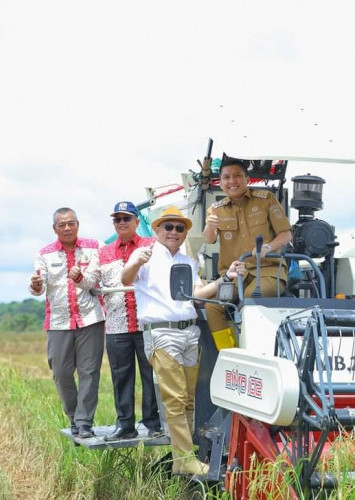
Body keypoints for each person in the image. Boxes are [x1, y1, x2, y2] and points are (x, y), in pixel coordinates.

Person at [122, 205, 241, 476]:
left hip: (189, 332)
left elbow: (199, 294)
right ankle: (186, 457)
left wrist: (226, 277)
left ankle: (181, 461)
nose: (174, 232)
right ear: (157, 230)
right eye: (169, 227)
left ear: (185, 232)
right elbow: (125, 278)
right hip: (162, 333)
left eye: (180, 228)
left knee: (188, 400)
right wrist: (135, 261)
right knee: (175, 400)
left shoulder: (188, 262)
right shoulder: (145, 257)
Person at [29, 207, 104, 439]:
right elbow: (37, 287)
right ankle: (73, 416)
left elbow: (97, 277)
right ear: (55, 229)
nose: (67, 228)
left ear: (78, 224)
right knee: (61, 373)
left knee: (89, 372)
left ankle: (84, 423)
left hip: (91, 318)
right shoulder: (45, 253)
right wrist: (36, 286)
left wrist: (82, 279)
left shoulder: (93, 247)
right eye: (62, 225)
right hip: (59, 321)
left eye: (71, 223)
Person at [202, 159, 292, 340]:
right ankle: (228, 353)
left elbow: (286, 234)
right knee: (212, 307)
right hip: (236, 276)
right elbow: (209, 239)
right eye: (226, 177)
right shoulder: (216, 210)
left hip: (267, 272)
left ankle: (253, 351)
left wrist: (268, 246)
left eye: (237, 176)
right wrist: (211, 226)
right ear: (220, 182)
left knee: (250, 299)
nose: (232, 181)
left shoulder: (266, 199)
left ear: (247, 179)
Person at [99, 201, 162, 441]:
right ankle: (125, 425)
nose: (122, 222)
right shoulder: (103, 252)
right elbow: (92, 282)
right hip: (117, 324)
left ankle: (154, 423)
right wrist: (80, 277)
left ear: (137, 221)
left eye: (127, 218)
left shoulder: (151, 245)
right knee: (121, 377)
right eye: (117, 219)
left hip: (147, 321)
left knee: (151, 375)